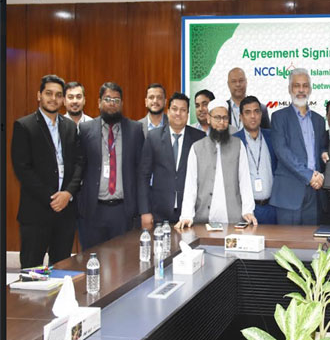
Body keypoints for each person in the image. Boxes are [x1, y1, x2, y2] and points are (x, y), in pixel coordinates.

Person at [11, 74, 83, 268]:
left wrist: (68, 193)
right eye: (48, 93)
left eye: (58, 95)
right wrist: (52, 198)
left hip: (65, 213)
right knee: (31, 270)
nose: (53, 98)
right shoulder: (24, 126)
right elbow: (22, 169)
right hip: (36, 212)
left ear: (63, 99)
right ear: (39, 95)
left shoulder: (70, 126)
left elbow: (79, 164)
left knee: (61, 268)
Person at [78, 82, 144, 249]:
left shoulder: (135, 130)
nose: (112, 103)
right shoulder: (85, 129)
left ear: (122, 103)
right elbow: (79, 167)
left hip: (123, 210)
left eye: (116, 100)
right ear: (99, 102)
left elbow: (140, 171)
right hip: (94, 209)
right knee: (92, 257)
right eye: (107, 99)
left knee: (124, 258)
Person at [175, 98, 257, 228]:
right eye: (217, 118)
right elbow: (191, 186)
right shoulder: (196, 148)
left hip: (233, 219)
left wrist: (248, 210)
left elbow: (244, 181)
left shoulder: (238, 145)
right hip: (203, 219)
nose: (222, 123)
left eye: (225, 118)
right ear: (208, 118)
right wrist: (186, 216)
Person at [138, 93, 205, 229]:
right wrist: (145, 211)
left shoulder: (199, 138)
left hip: (190, 214)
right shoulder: (153, 137)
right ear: (168, 111)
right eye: (174, 109)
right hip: (159, 213)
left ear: (188, 114)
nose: (178, 113)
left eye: (183, 110)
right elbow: (144, 176)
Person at [270, 68, 326, 225]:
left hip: (314, 192)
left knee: (311, 238)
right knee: (288, 239)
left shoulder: (319, 120)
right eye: (297, 85)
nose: (301, 90)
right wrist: (309, 175)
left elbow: (321, 149)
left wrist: (324, 157)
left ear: (310, 89)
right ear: (289, 89)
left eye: (305, 86)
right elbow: (282, 152)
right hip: (289, 194)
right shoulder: (278, 117)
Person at [234, 96, 278, 225]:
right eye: (248, 112)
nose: (253, 116)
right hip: (246, 211)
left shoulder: (272, 137)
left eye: (256, 111)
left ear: (261, 114)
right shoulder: (234, 141)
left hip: (272, 208)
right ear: (241, 117)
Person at [226, 67, 270, 132]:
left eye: (241, 80)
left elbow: (268, 135)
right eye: (234, 81)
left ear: (246, 82)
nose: (238, 84)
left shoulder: (262, 109)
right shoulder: (222, 109)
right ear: (228, 84)